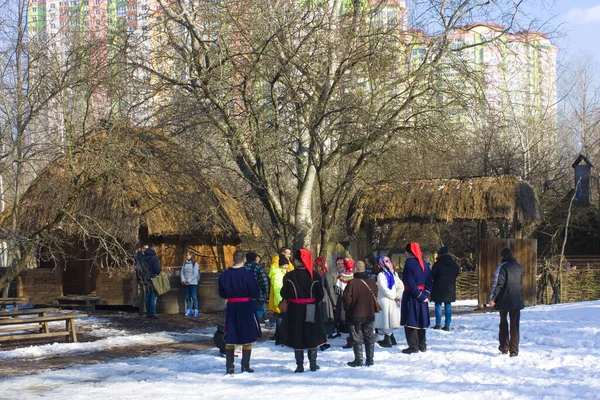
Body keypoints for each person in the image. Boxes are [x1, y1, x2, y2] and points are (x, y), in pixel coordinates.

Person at [280, 248, 327, 372]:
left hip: (295, 310)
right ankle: (313, 364)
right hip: (311, 308)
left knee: (297, 334)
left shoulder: (289, 276)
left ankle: (299, 365)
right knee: (312, 334)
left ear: (296, 261)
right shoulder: (314, 275)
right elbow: (320, 295)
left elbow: (283, 293)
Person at [218, 249, 262, 374]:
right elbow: (255, 292)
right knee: (247, 335)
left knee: (231, 334)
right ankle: (245, 366)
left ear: (233, 259)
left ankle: (230, 367)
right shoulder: (248, 275)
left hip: (231, 307)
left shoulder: (224, 275)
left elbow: (221, 293)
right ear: (244, 259)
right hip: (246, 307)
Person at [489, 247, 524, 357]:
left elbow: (497, 284)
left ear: (503, 256)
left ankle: (504, 347)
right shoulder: (520, 268)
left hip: (503, 299)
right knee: (515, 326)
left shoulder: (502, 267)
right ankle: (514, 350)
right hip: (516, 299)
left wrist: (492, 298)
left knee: (503, 323)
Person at [343, 261, 378, 367]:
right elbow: (375, 295)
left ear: (355, 269)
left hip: (355, 314)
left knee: (357, 337)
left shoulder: (352, 283)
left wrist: (348, 310)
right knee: (369, 336)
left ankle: (358, 360)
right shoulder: (372, 282)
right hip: (369, 313)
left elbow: (347, 299)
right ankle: (370, 359)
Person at [400, 242, 433, 354]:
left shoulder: (409, 264)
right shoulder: (424, 263)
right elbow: (429, 281)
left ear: (408, 252)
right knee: (421, 319)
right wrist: (426, 294)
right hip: (422, 295)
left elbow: (409, 282)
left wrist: (418, 295)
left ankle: (413, 346)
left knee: (411, 320)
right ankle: (422, 345)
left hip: (412, 295)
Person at [374, 256, 402, 347]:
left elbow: (383, 288)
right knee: (388, 319)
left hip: (385, 299)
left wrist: (395, 296)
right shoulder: (393, 274)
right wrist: (396, 295)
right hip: (391, 299)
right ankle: (390, 338)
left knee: (386, 319)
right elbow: (400, 285)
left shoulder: (381, 275)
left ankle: (388, 340)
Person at [431, 246, 460, 331]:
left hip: (438, 287)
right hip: (450, 287)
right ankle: (447, 325)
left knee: (438, 305)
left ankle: (438, 324)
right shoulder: (454, 264)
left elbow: (432, 275)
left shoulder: (437, 264)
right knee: (448, 305)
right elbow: (457, 273)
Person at [268, 247, 293, 343]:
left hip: (283, 298)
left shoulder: (283, 268)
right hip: (281, 299)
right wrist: (281, 301)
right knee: (280, 317)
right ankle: (280, 336)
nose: (290, 255)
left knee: (281, 317)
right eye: (288, 253)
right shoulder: (277, 268)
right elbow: (278, 288)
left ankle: (281, 336)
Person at [245, 252, 270, 327]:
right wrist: (266, 292)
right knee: (259, 310)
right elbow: (264, 281)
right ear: (255, 258)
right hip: (257, 293)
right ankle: (253, 325)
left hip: (244, 294)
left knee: (249, 311)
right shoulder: (257, 267)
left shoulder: (242, 267)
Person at [315, 257, 335, 350]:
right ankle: (323, 342)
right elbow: (330, 288)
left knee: (316, 321)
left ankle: (317, 341)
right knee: (323, 321)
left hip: (314, 299)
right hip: (324, 299)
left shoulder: (312, 274)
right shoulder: (325, 274)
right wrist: (334, 302)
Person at [335, 257, 355, 348]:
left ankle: (348, 336)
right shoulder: (354, 275)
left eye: (342, 264)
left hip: (344, 298)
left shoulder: (341, 276)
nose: (339, 265)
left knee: (345, 316)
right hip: (353, 298)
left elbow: (337, 289)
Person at [143, 243, 161, 319]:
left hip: (145, 278)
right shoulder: (154, 258)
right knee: (153, 295)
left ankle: (148, 312)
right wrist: (158, 272)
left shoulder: (143, 257)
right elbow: (157, 269)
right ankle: (153, 313)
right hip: (153, 278)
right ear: (153, 249)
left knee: (147, 294)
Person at [181, 251, 200, 317]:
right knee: (188, 297)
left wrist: (189, 280)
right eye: (187, 255)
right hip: (186, 283)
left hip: (193, 283)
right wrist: (183, 280)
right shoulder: (184, 263)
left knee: (194, 297)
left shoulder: (195, 264)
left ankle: (196, 310)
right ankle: (188, 309)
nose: (187, 256)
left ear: (191, 256)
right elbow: (182, 272)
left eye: (188, 255)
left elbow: (195, 274)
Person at [134, 244, 148, 315]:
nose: (146, 250)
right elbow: (139, 269)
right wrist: (140, 278)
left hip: (145, 278)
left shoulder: (143, 257)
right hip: (141, 278)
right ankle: (143, 311)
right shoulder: (139, 257)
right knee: (144, 293)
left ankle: (144, 310)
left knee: (144, 293)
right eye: (145, 248)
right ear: (142, 249)